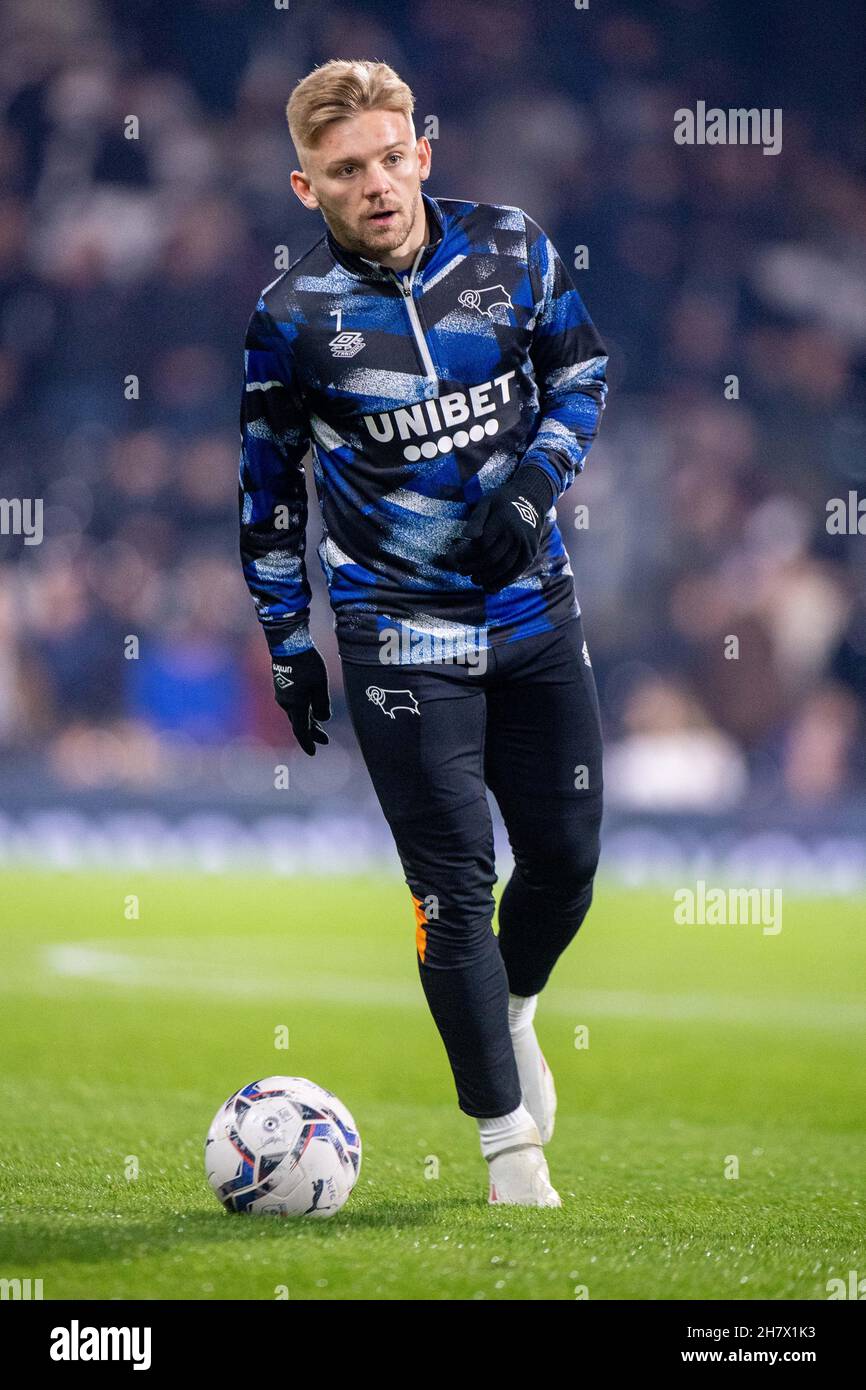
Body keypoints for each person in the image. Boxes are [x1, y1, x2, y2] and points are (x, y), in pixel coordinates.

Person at [238, 58, 608, 1205]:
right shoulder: (289, 321)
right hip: (397, 635)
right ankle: (508, 1151)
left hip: (531, 612)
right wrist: (288, 642)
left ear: (422, 155)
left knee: (565, 864)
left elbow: (581, 368)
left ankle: (513, 1004)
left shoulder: (510, 248)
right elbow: (267, 494)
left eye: (390, 158)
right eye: (344, 170)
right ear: (308, 189)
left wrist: (537, 484)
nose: (376, 184)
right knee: (452, 887)